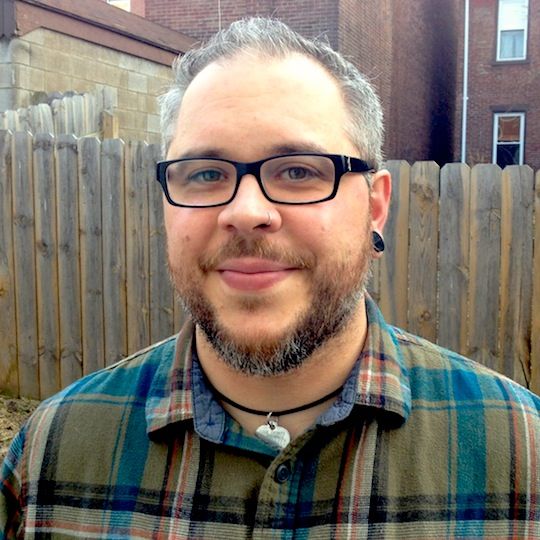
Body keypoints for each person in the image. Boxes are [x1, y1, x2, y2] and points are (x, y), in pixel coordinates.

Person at [1, 17, 539, 539]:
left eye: (299, 170)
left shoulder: (522, 454)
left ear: (374, 208)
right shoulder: (49, 460)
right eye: (207, 174)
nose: (246, 211)